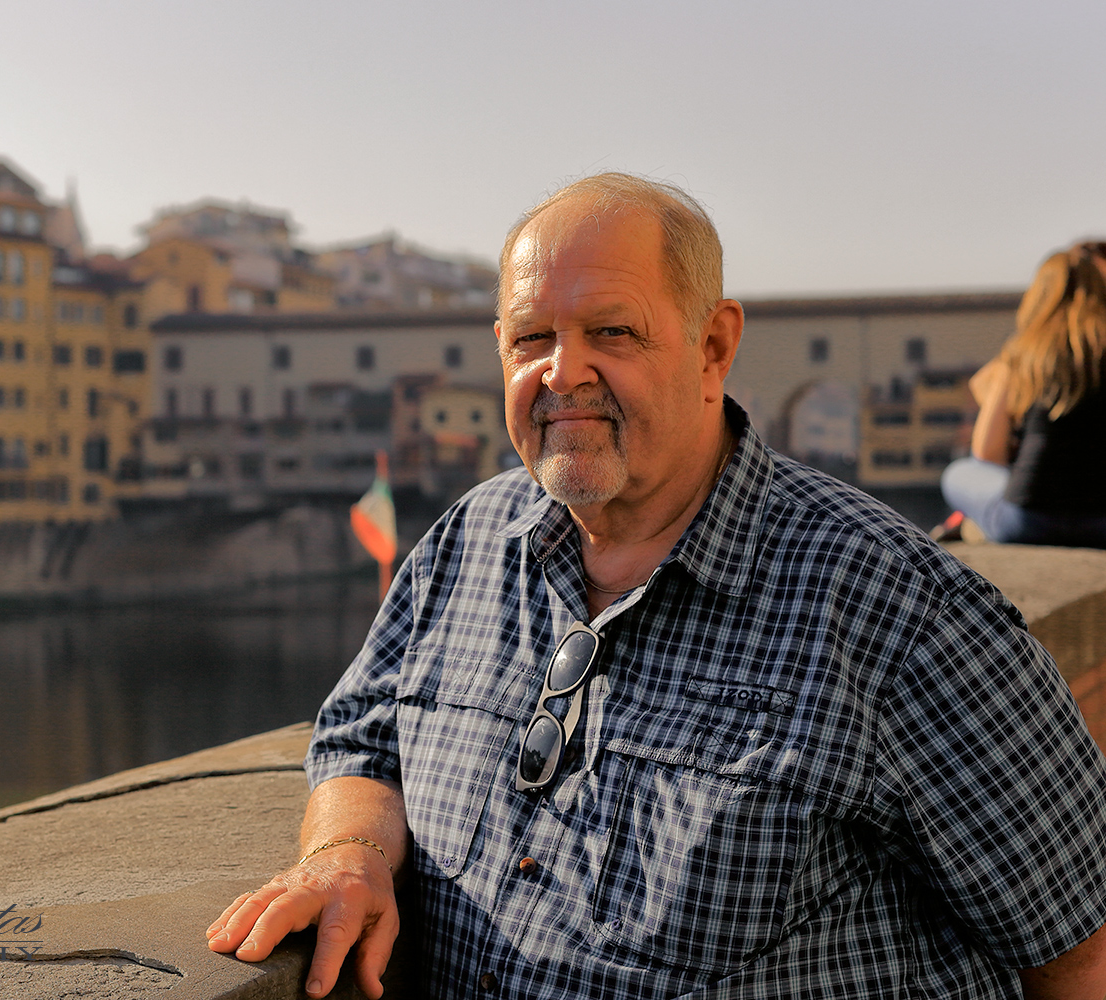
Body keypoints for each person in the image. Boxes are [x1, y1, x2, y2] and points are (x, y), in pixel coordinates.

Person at [206, 174, 1106, 998]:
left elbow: (1082, 951)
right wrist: (348, 853)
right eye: (532, 339)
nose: (563, 371)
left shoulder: (900, 610)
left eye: (612, 332)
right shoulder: (463, 546)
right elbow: (364, 736)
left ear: (713, 344)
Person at [940, 242, 1106, 547]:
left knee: (958, 473)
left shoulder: (1023, 352)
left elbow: (988, 454)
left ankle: (975, 527)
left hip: (1028, 522)